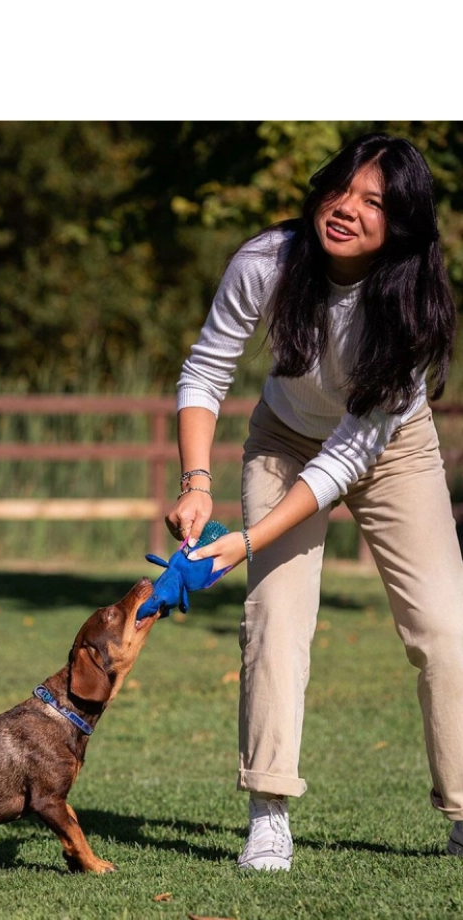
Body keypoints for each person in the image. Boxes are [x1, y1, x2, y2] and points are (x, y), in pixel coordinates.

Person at [167, 132, 463, 870]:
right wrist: (196, 484)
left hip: (391, 451)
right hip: (284, 439)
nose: (349, 210)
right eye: (343, 189)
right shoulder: (266, 262)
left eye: (375, 204)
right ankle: (268, 811)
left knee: (445, 630)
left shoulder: (416, 307)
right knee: (275, 617)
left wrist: (248, 538)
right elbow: (205, 370)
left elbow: (349, 460)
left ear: (402, 226)